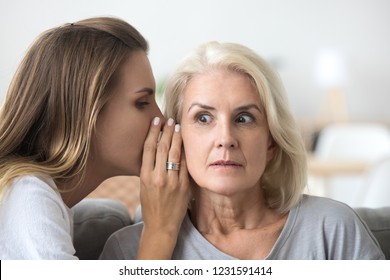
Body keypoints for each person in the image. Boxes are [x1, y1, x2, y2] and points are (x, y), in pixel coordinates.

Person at [100, 41, 385, 260]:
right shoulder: (128, 251)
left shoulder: (333, 229)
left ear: (271, 141)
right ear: (177, 139)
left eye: (244, 118)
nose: (226, 138)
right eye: (203, 118)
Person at [0, 17, 190, 259]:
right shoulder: (28, 198)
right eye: (142, 103)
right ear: (85, 112)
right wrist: (160, 231)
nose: (161, 119)